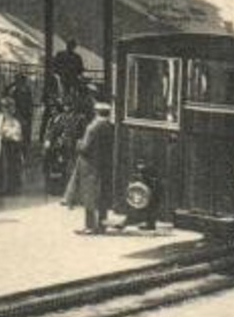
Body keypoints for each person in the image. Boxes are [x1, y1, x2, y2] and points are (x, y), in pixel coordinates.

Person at [65, 100, 115, 234]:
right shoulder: (110, 127)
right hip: (104, 164)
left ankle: (89, 226)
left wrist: (78, 144)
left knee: (89, 195)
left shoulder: (92, 127)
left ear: (96, 112)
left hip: (89, 165)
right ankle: (102, 224)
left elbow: (85, 147)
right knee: (102, 195)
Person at [114, 159, 163, 232]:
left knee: (146, 211)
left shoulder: (148, 171)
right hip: (145, 194)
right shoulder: (141, 172)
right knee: (140, 210)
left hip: (149, 194)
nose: (139, 166)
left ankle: (149, 225)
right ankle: (148, 225)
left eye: (141, 164)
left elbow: (151, 182)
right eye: (139, 164)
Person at [0, 98, 26, 196]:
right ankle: (2, 187)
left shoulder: (15, 120)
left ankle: (12, 188)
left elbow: (18, 133)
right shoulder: (0, 119)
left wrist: (10, 134)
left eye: (7, 107)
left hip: (12, 146)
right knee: (2, 166)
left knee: (12, 166)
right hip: (3, 146)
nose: (5, 110)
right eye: (4, 108)